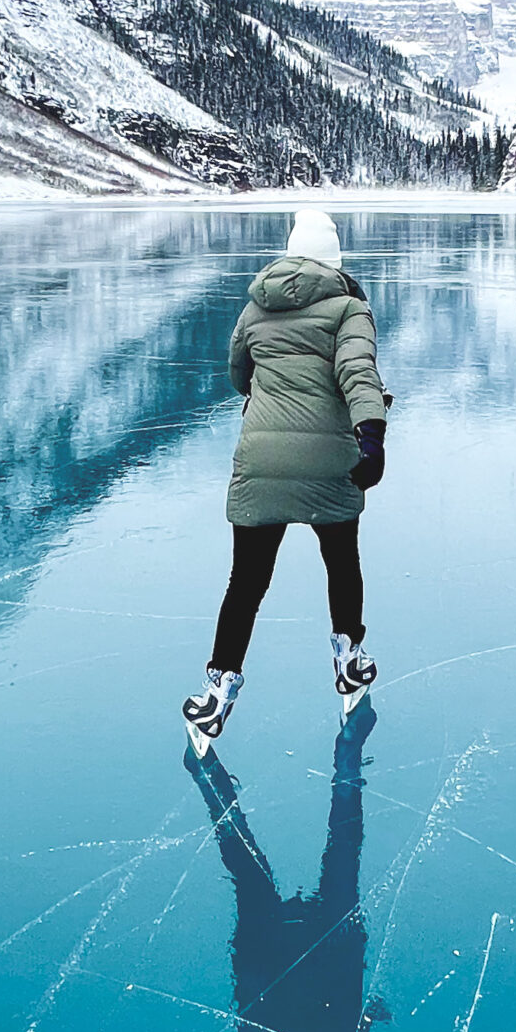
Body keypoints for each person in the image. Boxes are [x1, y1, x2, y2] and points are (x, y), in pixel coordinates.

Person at [183, 209, 389, 749]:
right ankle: (349, 658)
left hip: (261, 465)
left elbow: (237, 375)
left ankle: (218, 687)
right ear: (334, 260)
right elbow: (358, 373)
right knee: (342, 565)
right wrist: (371, 434)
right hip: (331, 467)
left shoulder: (256, 307)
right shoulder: (350, 308)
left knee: (246, 583)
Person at [185, 702, 388, 1032]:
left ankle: (347, 754)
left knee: (342, 852)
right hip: (279, 968)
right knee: (252, 873)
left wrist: (369, 1020)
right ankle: (207, 775)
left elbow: (355, 1029)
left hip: (313, 963)